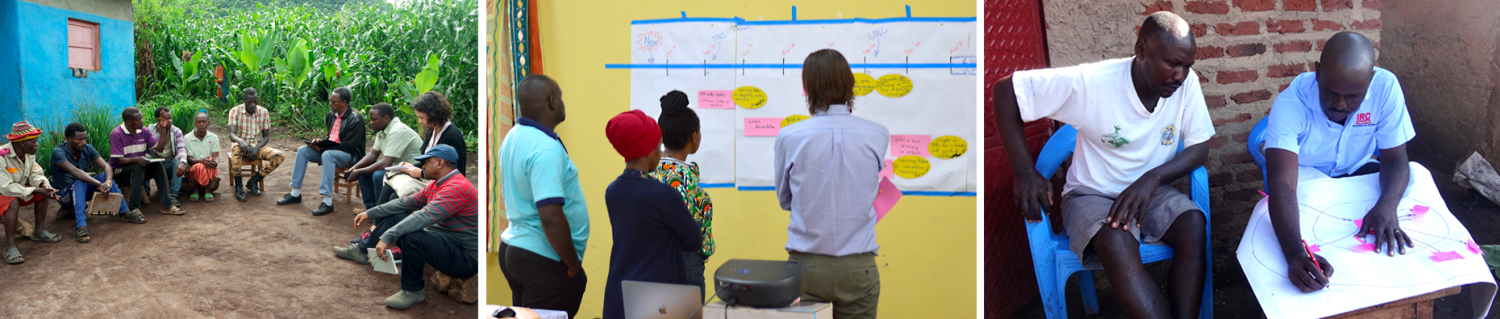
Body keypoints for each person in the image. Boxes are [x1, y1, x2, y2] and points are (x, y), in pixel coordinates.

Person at [993, 12, 1211, 318]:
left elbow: (1201, 147)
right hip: (1091, 193)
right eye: (1172, 63)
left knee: (1193, 225)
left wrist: (1153, 178)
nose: (1180, 75)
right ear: (1142, 50)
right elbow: (1006, 91)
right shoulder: (1091, 83)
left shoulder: (1185, 85)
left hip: (1151, 190)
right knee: (1116, 240)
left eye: (1187, 66)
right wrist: (1024, 172)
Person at [1263, 31, 1415, 292]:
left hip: (1358, 173)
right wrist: (1295, 254)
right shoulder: (1291, 103)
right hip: (1308, 182)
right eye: (1330, 92)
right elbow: (1283, 183)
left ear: (1370, 80)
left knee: (1410, 196)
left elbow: (1396, 160)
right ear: (1317, 72)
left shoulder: (1385, 87)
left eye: (1354, 96)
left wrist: (1388, 205)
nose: (1341, 104)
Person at [772, 49, 890, 318]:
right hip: (858, 269)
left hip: (806, 267)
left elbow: (785, 200)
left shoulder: (789, 137)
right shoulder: (878, 134)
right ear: (850, 83)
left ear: (807, 87)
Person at [332, 144, 476, 309]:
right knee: (398, 216)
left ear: (440, 163)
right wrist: (371, 213)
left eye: (426, 162)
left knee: (412, 236)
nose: (422, 166)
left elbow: (424, 216)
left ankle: (413, 290)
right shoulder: (438, 184)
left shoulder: (456, 188)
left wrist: (388, 236)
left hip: (465, 259)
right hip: (447, 244)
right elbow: (405, 203)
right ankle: (362, 250)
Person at [497, 75, 589, 318]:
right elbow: (550, 215)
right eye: (561, 97)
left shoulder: (515, 136)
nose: (563, 103)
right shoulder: (544, 148)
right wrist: (573, 264)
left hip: (517, 249)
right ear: (552, 102)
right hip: (541, 257)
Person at [602, 110, 701, 318]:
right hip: (655, 301)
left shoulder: (612, 191)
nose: (661, 151)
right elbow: (694, 240)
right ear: (648, 151)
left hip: (618, 294)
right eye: (658, 146)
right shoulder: (664, 195)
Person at [650, 90, 715, 302]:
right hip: (684, 264)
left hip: (651, 263)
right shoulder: (685, 178)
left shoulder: (650, 171)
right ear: (693, 137)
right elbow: (694, 232)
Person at [279, 87, 366, 216]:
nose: (330, 103)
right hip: (332, 151)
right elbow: (332, 138)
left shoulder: (355, 118)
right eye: (330, 100)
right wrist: (320, 142)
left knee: (327, 154)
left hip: (351, 156)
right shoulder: (331, 115)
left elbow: (349, 146)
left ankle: (327, 202)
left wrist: (322, 148)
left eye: (334, 101)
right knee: (303, 150)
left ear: (344, 102)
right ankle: (295, 193)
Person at [53, 122, 145, 243]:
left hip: (81, 192)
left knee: (103, 176)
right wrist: (98, 184)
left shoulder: (87, 148)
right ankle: (81, 226)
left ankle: (125, 212)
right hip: (64, 196)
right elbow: (75, 172)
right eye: (79, 139)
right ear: (69, 139)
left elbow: (106, 166)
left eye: (85, 138)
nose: (83, 142)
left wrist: (107, 182)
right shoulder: (58, 152)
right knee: (80, 181)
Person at [378, 91, 468, 204]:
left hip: (442, 187)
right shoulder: (432, 130)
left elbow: (456, 173)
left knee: (395, 198)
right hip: (428, 179)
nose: (420, 121)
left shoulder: (452, 136)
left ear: (433, 114)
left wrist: (421, 173)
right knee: (389, 185)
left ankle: (381, 220)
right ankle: (376, 221)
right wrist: (410, 167)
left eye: (421, 117)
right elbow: (427, 161)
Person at [1, 121, 60, 264]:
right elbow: (5, 187)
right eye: (33, 142)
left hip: (15, 190)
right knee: (12, 201)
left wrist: (44, 184)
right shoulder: (2, 157)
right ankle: (9, 247)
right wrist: (34, 189)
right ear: (22, 143)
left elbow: (36, 173)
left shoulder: (28, 154)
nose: (37, 144)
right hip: (4, 192)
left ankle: (38, 231)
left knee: (42, 193)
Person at [344, 102, 422, 209]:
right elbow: (373, 154)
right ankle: (371, 209)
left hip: (411, 170)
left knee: (378, 175)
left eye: (373, 119)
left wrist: (360, 171)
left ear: (385, 118)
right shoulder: (382, 130)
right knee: (363, 167)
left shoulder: (397, 131)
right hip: (395, 167)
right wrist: (354, 168)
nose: (371, 123)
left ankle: (381, 212)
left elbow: (386, 163)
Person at [111, 107, 185, 216]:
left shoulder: (144, 131)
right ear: (128, 122)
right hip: (119, 171)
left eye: (141, 118)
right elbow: (119, 160)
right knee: (138, 166)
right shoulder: (117, 134)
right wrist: (136, 159)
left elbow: (159, 148)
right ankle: (133, 208)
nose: (142, 121)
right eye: (139, 119)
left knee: (157, 166)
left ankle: (167, 205)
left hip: (138, 168)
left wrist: (163, 130)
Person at [227, 88, 285, 202]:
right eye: (249, 102)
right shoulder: (235, 111)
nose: (252, 104)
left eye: (255, 101)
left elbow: (266, 136)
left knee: (279, 156)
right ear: (244, 100)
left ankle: (253, 181)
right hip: (240, 146)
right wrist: (240, 141)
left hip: (257, 146)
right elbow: (231, 134)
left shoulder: (264, 112)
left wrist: (257, 148)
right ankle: (239, 185)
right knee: (235, 150)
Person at [145, 106, 188, 206]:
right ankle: (146, 193)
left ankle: (173, 194)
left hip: (169, 164)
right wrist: (161, 131)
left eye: (171, 118)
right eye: (166, 118)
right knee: (146, 158)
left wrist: (182, 162)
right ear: (157, 119)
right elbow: (149, 147)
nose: (170, 121)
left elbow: (181, 149)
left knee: (178, 159)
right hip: (154, 165)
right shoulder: (150, 130)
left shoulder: (176, 131)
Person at [183, 111, 222, 202]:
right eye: (198, 122)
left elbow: (215, 156)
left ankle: (202, 190)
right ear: (195, 123)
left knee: (210, 160)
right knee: (200, 166)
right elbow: (189, 159)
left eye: (204, 122)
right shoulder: (188, 138)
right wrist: (201, 161)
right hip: (192, 170)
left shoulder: (213, 137)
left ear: (208, 123)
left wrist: (215, 163)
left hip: (209, 168)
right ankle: (201, 189)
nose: (201, 124)